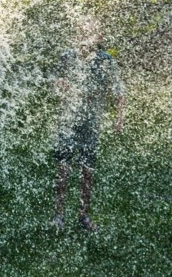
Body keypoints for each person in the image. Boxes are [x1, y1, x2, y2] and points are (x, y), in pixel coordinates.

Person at [50, 18, 125, 231]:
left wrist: (119, 117)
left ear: (99, 38)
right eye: (82, 33)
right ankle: (58, 215)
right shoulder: (67, 56)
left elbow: (118, 92)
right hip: (67, 120)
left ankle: (83, 216)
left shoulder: (105, 60)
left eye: (90, 34)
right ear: (76, 36)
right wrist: (60, 85)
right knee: (63, 168)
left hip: (91, 123)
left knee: (87, 170)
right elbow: (55, 83)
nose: (85, 38)